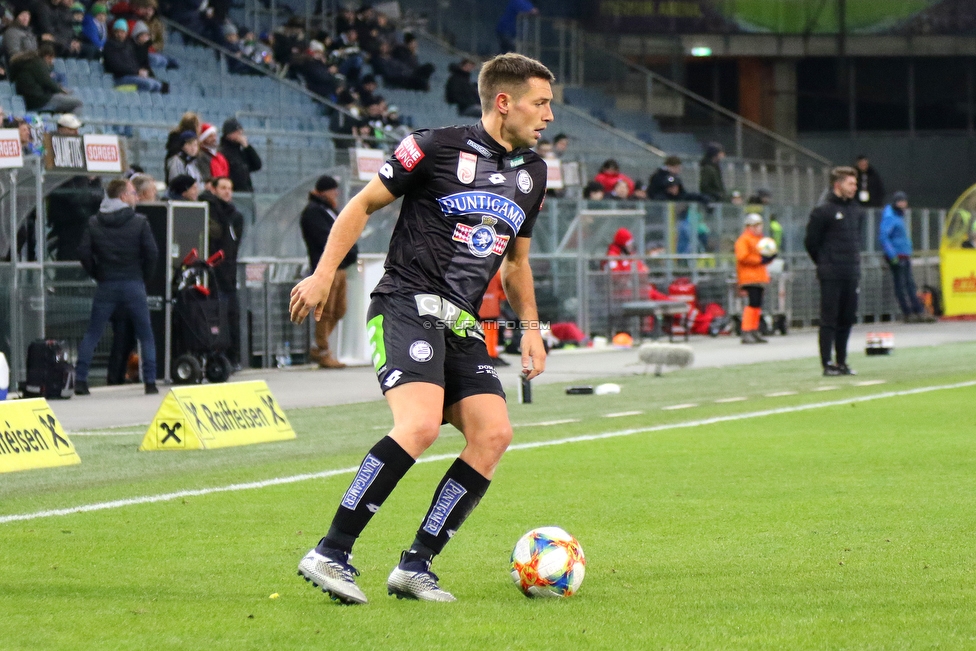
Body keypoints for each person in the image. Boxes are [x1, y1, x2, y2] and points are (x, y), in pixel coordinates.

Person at [288, 52, 552, 604]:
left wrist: (530, 326)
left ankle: (416, 565)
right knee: (421, 424)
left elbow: (516, 262)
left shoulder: (533, 173)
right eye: (541, 103)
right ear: (504, 102)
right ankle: (330, 551)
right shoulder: (432, 146)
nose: (548, 116)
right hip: (405, 301)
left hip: (461, 320)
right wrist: (321, 274)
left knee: (494, 433)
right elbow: (361, 205)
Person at [75, 178, 159, 395]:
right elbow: (152, 253)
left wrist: (98, 273)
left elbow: (83, 252)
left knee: (93, 333)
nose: (135, 196)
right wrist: (144, 277)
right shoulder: (139, 221)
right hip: (133, 282)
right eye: (132, 193)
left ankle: (80, 381)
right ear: (122, 196)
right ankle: (150, 382)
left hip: (107, 283)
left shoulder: (94, 222)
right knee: (145, 334)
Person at [805, 166, 863, 376]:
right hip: (831, 272)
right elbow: (811, 242)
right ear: (838, 185)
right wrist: (824, 262)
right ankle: (827, 363)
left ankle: (842, 361)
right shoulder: (823, 211)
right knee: (829, 318)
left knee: (846, 318)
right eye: (851, 183)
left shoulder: (855, 209)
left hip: (851, 271)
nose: (855, 187)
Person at [299, 174, 357, 369]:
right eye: (333, 190)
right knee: (325, 312)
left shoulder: (328, 210)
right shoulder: (313, 212)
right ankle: (323, 350)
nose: (336, 194)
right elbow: (327, 239)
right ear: (324, 192)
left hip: (340, 268)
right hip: (327, 269)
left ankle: (318, 347)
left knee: (340, 310)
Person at [200, 176, 244, 367]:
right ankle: (218, 357)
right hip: (213, 273)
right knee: (217, 316)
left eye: (230, 188)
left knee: (232, 315)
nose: (227, 191)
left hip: (228, 273)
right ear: (214, 189)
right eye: (223, 187)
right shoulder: (208, 209)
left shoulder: (235, 215)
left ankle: (232, 356)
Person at [879, 191, 933, 323]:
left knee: (908, 284)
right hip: (898, 256)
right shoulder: (891, 217)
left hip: (903, 255)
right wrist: (892, 255)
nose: (903, 204)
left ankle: (917, 311)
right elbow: (884, 237)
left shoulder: (897, 216)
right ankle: (910, 312)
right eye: (900, 201)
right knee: (902, 284)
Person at [9, 43, 84, 113]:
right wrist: (62, 91)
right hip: (40, 100)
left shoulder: (26, 64)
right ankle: (70, 126)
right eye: (52, 59)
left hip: (29, 101)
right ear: (48, 57)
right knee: (78, 103)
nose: (52, 62)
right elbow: (47, 82)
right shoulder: (37, 63)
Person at [735, 213, 774, 344]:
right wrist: (761, 260)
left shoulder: (760, 240)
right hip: (749, 277)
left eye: (759, 225)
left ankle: (754, 330)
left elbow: (761, 259)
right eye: (755, 225)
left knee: (757, 305)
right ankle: (747, 330)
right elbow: (743, 257)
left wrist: (768, 258)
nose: (758, 228)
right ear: (749, 227)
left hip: (759, 276)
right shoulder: (744, 240)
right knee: (752, 304)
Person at [219, 117, 262, 193]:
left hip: (246, 193)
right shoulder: (223, 152)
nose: (240, 134)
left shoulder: (241, 151)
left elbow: (257, 165)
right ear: (229, 134)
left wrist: (247, 147)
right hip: (234, 194)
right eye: (237, 132)